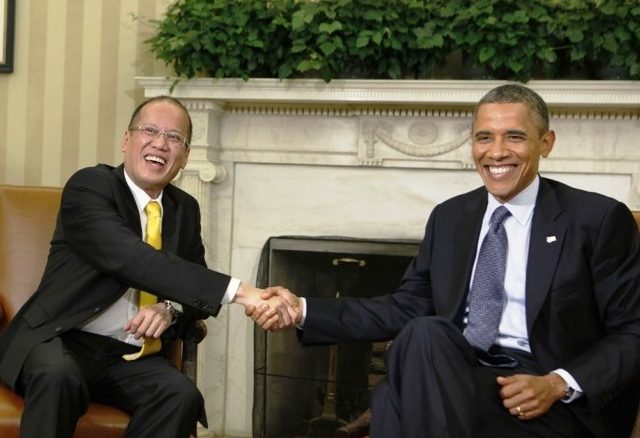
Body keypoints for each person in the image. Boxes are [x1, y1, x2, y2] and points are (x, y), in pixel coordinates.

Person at [253, 84, 640, 438]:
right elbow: (405, 307)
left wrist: (557, 383)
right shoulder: (451, 218)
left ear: (546, 143)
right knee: (424, 334)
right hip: (459, 375)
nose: (497, 152)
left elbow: (632, 330)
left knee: (392, 397)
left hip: (546, 398)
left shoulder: (596, 220)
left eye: (515, 137)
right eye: (484, 137)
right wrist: (302, 310)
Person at [0, 95, 294, 438]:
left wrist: (169, 309)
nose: (160, 143)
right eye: (149, 130)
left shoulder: (185, 209)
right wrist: (242, 292)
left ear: (185, 156)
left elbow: (192, 295)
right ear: (127, 140)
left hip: (125, 355)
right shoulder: (89, 187)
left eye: (174, 137)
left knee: (180, 396)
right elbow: (131, 258)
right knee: (58, 376)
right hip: (60, 338)